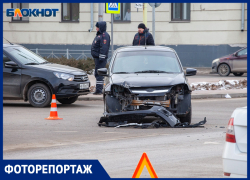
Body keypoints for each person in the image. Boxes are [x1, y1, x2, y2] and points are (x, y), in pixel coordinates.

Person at [91, 21, 110, 95]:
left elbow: (104, 47)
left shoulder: (104, 35)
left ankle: (99, 90)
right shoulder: (100, 35)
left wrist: (101, 57)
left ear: (101, 27)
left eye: (97, 27)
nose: (96, 29)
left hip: (100, 59)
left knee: (99, 74)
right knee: (97, 73)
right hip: (98, 58)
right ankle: (98, 89)